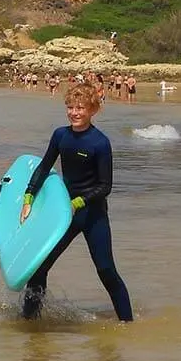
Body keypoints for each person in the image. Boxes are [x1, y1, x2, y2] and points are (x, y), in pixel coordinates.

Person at [18, 83, 134, 322]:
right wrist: (28, 197)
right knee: (39, 267)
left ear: (93, 110)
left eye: (80, 108)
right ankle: (29, 323)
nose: (74, 112)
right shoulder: (60, 135)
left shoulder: (99, 143)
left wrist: (78, 203)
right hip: (64, 214)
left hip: (92, 215)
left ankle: (127, 324)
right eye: (70, 107)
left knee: (106, 270)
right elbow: (44, 167)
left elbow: (105, 186)